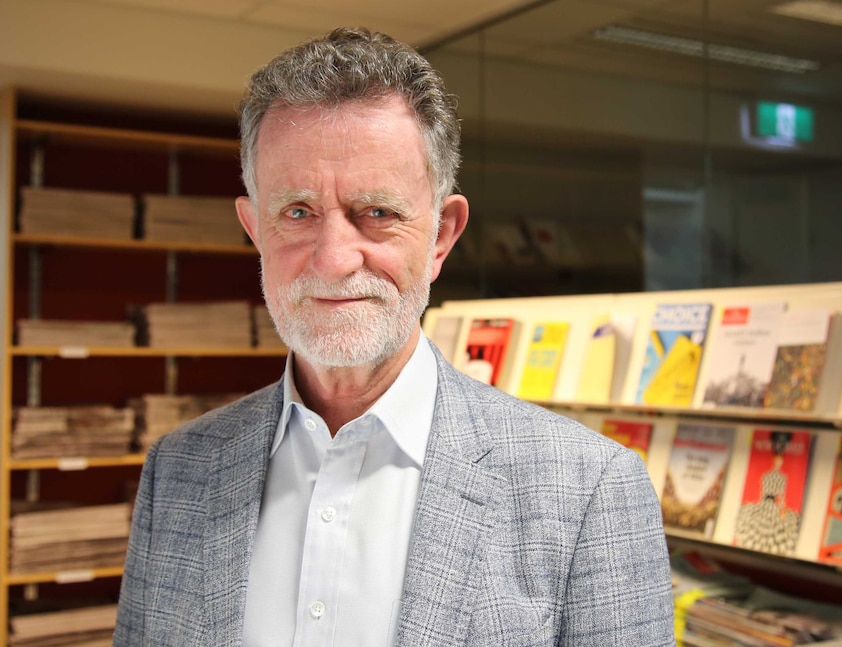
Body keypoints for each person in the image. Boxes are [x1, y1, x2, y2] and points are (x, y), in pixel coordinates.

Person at [114, 27, 675, 646]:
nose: (333, 259)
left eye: (376, 213)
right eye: (297, 213)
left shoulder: (589, 489)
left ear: (441, 235)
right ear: (255, 228)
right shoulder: (179, 471)